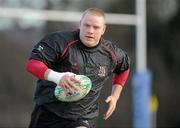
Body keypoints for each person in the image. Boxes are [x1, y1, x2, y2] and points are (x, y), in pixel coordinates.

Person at [26, 8, 130, 128]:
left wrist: (115, 96)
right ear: (80, 24)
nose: (90, 31)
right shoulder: (59, 42)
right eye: (86, 25)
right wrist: (58, 77)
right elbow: (32, 64)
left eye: (95, 27)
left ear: (103, 29)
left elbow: (124, 68)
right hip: (48, 113)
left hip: (83, 117)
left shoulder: (111, 53)